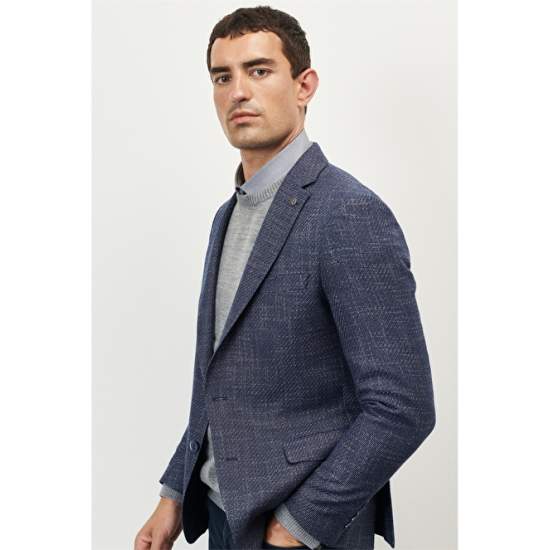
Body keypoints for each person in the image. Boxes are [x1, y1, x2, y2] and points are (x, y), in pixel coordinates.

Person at [135, 6, 436, 550]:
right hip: (226, 514)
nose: (238, 92)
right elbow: (219, 381)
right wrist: (174, 492)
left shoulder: (348, 213)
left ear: (304, 85)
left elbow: (403, 407)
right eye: (222, 77)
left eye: (259, 70)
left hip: (304, 529)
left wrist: (295, 526)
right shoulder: (228, 216)